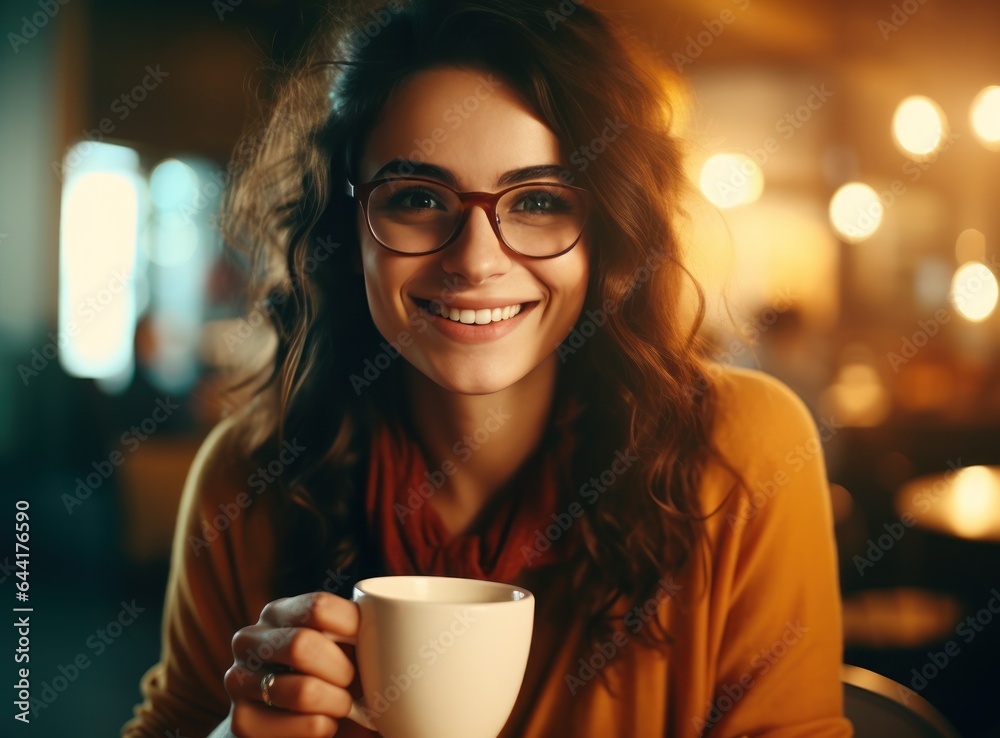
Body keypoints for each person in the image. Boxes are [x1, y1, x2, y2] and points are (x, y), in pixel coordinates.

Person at [123, 1, 852, 736]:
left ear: (607, 227)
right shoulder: (249, 479)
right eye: (417, 198)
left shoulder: (744, 453)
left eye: (537, 200)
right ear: (347, 230)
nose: (474, 259)